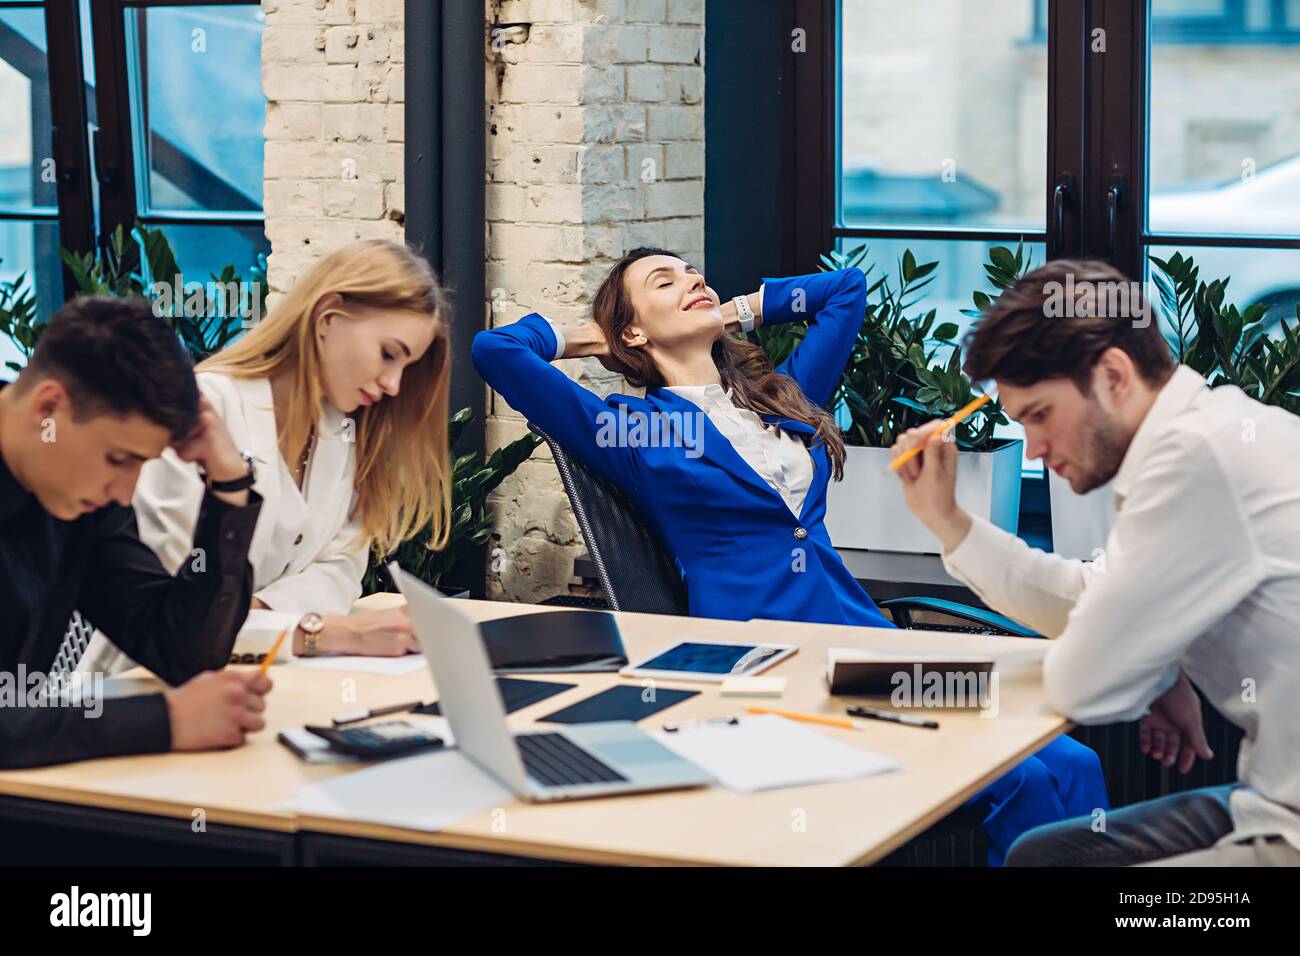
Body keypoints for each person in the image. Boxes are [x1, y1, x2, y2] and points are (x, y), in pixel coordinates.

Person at [472, 246, 1108, 865]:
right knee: (1015, 781)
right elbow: (496, 351)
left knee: (1076, 760)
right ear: (634, 332)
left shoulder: (783, 398)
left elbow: (844, 291)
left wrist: (732, 312)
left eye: (693, 270)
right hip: (768, 661)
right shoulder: (638, 432)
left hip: (864, 642)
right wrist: (597, 338)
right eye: (663, 282)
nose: (693, 278)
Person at [892, 259, 1300, 866]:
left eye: (1039, 414)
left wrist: (1150, 665)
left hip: (1286, 830)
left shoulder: (1194, 460)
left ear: (1112, 375)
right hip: (1268, 799)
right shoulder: (1209, 431)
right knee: (1045, 855)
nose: (1032, 447)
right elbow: (1095, 594)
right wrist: (949, 522)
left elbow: (1082, 684)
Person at [81, 240, 452, 672]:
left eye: (406, 368)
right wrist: (318, 632)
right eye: (389, 355)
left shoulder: (346, 429)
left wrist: (252, 614)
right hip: (140, 694)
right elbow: (173, 612)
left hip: (269, 678)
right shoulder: (203, 414)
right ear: (328, 317)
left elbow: (342, 568)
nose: (393, 384)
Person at [0, 295, 270, 768]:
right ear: (49, 407)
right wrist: (165, 720)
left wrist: (229, 484)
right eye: (120, 459)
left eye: (142, 464)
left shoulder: (83, 500)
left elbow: (180, 651)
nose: (125, 495)